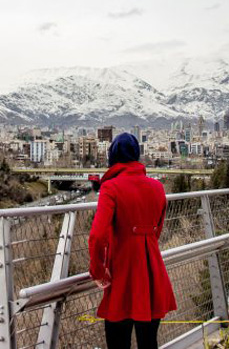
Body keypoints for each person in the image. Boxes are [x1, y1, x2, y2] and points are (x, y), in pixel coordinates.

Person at [88, 132, 177, 349]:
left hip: (122, 275)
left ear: (112, 157)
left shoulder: (110, 187)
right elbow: (156, 231)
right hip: (152, 272)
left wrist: (98, 271)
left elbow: (97, 235)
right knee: (149, 341)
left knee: (118, 341)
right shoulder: (157, 187)